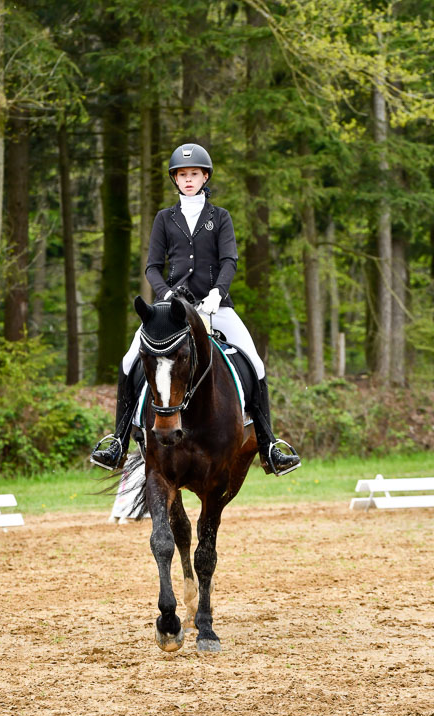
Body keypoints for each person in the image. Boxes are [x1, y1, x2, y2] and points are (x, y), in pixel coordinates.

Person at [90, 142, 300, 476]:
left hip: (217, 306)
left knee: (255, 363)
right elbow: (152, 267)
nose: (188, 179)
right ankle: (117, 440)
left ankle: (269, 444)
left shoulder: (221, 217)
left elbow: (229, 259)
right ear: (175, 179)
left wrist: (218, 293)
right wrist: (166, 294)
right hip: (171, 309)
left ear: (205, 177)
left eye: (194, 174)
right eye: (182, 174)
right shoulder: (164, 218)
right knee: (130, 360)